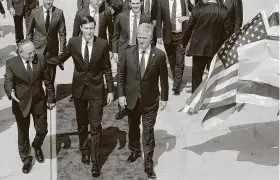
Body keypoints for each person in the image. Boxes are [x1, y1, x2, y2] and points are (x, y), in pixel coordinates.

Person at [47, 16, 114, 178]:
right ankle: (84, 150)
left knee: (96, 126)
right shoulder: (74, 42)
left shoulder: (102, 44)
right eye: (86, 28)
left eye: (92, 28)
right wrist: (42, 61)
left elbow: (107, 69)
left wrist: (110, 90)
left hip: (97, 90)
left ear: (95, 28)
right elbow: (60, 58)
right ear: (81, 29)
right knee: (82, 124)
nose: (89, 31)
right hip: (79, 91)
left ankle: (95, 162)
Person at [118, 23, 169, 179]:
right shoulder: (127, 53)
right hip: (132, 99)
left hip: (150, 101)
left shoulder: (159, 55)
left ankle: (148, 163)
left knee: (148, 131)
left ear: (151, 38)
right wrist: (121, 95)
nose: (140, 41)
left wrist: (164, 98)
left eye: (144, 38)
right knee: (133, 127)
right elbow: (121, 76)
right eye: (138, 37)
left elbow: (164, 79)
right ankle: (134, 150)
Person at [4, 39, 56, 174]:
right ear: (20, 52)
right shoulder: (11, 63)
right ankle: (26, 159)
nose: (33, 55)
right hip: (21, 103)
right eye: (29, 53)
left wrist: (51, 98)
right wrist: (10, 92)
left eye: (34, 51)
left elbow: (47, 80)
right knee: (23, 133)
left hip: (39, 101)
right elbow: (8, 81)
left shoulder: (40, 58)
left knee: (43, 129)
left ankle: (37, 145)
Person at [112, 0, 150, 120]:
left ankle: (136, 105)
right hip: (123, 52)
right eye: (133, 3)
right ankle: (122, 107)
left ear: (141, 4)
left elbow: (149, 38)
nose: (135, 6)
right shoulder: (121, 16)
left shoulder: (146, 17)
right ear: (129, 4)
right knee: (121, 78)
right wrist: (114, 52)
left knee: (136, 78)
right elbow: (115, 36)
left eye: (137, 3)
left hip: (137, 52)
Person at [182, 0, 229, 93]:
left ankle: (195, 100)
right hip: (215, 49)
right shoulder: (224, 12)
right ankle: (210, 98)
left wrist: (184, 43)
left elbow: (188, 29)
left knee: (196, 77)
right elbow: (227, 33)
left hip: (198, 49)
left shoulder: (197, 10)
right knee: (213, 76)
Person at [156, 0, 193, 95]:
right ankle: (177, 76)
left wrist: (187, 17)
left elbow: (195, 11)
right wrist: (159, 35)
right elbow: (159, 19)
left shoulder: (184, 1)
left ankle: (177, 85)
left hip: (182, 35)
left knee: (179, 60)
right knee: (171, 59)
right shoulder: (162, 2)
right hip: (168, 35)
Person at [26, 0, 66, 85]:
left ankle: (50, 97)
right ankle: (39, 96)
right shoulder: (34, 12)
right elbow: (29, 32)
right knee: (37, 75)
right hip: (37, 49)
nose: (48, 1)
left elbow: (62, 33)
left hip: (52, 49)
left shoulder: (59, 13)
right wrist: (29, 49)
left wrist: (62, 51)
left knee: (51, 76)